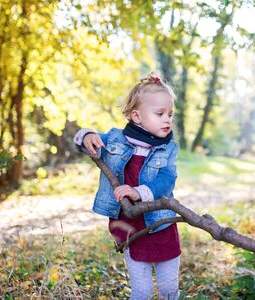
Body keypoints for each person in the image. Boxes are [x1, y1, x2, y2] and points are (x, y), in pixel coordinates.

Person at [73, 73, 180, 299]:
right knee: (142, 291)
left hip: (160, 223)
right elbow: (92, 142)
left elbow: (167, 179)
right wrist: (87, 135)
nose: (167, 120)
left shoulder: (168, 148)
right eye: (160, 114)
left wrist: (139, 192)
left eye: (170, 114)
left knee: (169, 288)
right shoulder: (116, 140)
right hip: (130, 226)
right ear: (137, 116)